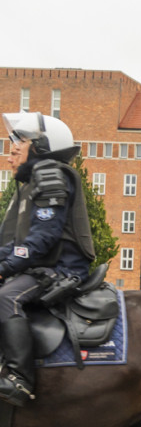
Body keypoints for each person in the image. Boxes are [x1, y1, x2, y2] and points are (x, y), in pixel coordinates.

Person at [0, 112, 96, 406]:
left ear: (42, 146)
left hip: (61, 268)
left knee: (7, 298)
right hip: (43, 264)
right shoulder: (31, 183)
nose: (14, 146)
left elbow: (44, 238)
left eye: (23, 140)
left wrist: (5, 269)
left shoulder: (49, 173)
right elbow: (16, 244)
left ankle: (19, 378)